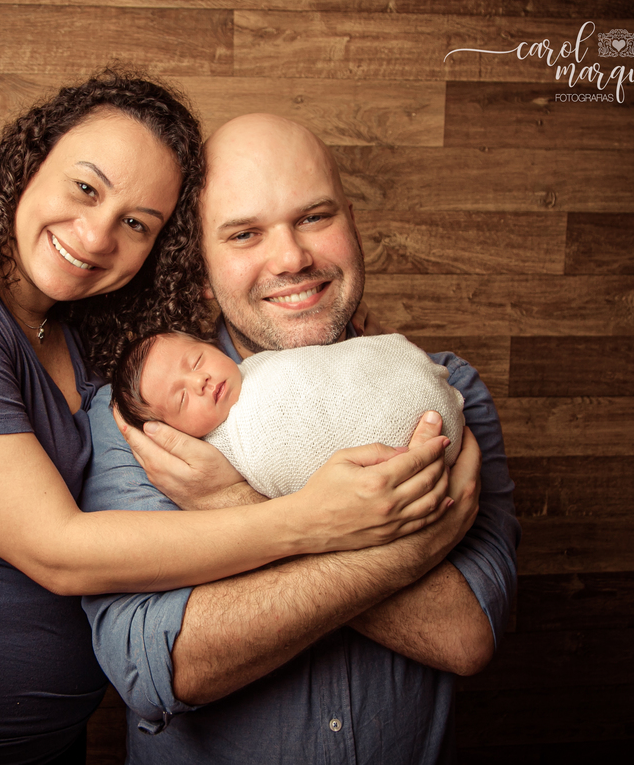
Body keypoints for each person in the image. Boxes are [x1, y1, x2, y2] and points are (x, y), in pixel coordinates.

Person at [0, 76, 459, 765]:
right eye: (85, 188)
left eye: (138, 223)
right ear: (28, 161)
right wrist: (309, 520)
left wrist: (353, 376)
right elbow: (57, 549)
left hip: (45, 741)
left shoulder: (79, 330)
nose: (98, 233)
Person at [81, 113, 521, 763]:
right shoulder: (151, 419)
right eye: (244, 233)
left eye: (314, 217)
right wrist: (397, 553)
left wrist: (234, 504)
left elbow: (463, 635)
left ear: (353, 226)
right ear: (200, 269)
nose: (291, 258)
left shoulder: (445, 390)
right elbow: (161, 672)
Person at [111, 330, 465, 497]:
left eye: (197, 360)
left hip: (402, 381)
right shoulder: (221, 453)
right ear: (173, 433)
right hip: (407, 452)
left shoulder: (258, 364)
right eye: (182, 399)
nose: (200, 380)